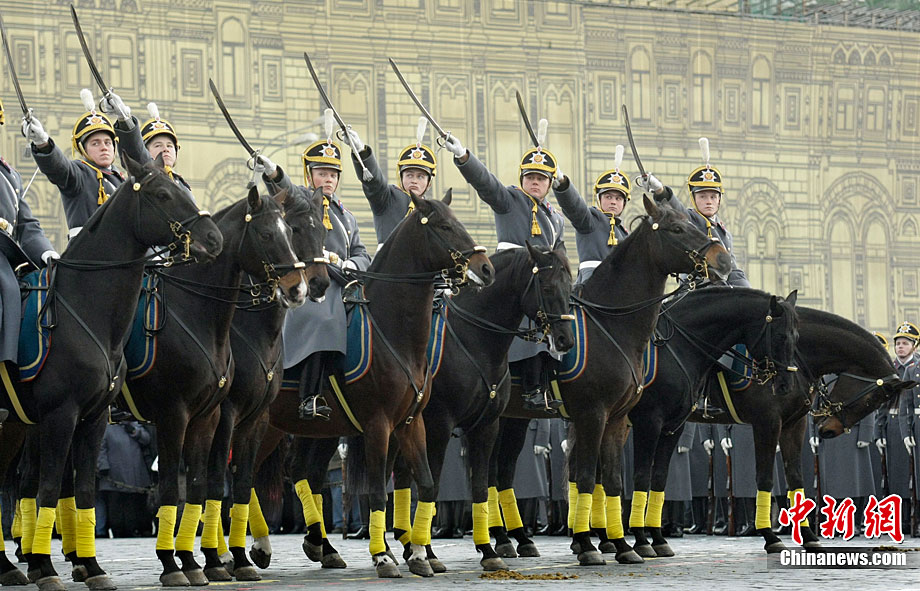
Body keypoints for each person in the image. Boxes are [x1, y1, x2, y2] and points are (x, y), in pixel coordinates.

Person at [444, 123, 566, 411]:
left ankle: (548, 382)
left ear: (549, 184)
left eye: (541, 178)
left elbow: (559, 253)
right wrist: (464, 156)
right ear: (522, 179)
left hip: (541, 278)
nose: (535, 182)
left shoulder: (556, 218)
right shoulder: (510, 199)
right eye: (530, 177)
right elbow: (486, 183)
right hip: (508, 275)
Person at [257, 110, 370, 420]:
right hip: (311, 287)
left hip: (343, 283)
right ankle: (310, 396)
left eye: (333, 174)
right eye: (321, 173)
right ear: (310, 176)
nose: (328, 179)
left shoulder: (347, 216)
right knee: (323, 318)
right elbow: (286, 190)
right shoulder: (302, 202)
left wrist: (347, 262)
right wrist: (275, 175)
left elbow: (362, 252)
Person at [0, 100, 59, 421]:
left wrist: (45, 251)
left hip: (10, 253)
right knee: (6, 288)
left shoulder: (9, 174)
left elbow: (27, 225)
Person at [644, 137, 748, 287]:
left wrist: (745, 291)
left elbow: (732, 268)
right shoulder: (689, 220)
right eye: (702, 196)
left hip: (723, 288)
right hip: (697, 287)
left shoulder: (724, 232)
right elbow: (675, 207)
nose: (708, 201)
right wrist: (660, 190)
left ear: (719, 199)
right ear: (693, 198)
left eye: (713, 197)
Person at [24, 89, 125, 235]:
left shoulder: (121, 179)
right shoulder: (79, 173)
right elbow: (59, 168)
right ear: (83, 149)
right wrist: (43, 143)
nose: (104, 147)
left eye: (108, 142)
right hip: (88, 248)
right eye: (95, 143)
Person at [346, 118, 437, 250]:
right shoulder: (387, 197)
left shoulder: (433, 211)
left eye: (420, 177)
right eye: (409, 175)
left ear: (429, 183)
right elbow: (374, 182)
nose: (414, 180)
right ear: (401, 177)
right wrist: (361, 152)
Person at [553, 145, 630, 285]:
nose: (613, 202)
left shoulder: (625, 233)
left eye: (618, 198)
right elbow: (574, 206)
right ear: (599, 199)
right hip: (592, 284)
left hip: (620, 286)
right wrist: (563, 184)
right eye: (608, 197)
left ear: (624, 203)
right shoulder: (590, 219)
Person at [106, 95, 192, 192]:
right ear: (145, 150)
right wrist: (124, 119)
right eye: (158, 145)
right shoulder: (146, 175)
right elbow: (136, 151)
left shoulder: (183, 185)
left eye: (169, 145)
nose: (165, 149)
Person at [895, 321, 920, 536]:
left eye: (906, 343)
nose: (901, 347)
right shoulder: (912, 371)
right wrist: (906, 433)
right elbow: (905, 406)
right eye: (899, 343)